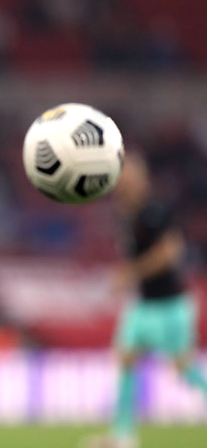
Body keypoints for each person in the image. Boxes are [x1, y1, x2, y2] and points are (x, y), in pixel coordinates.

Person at [83, 150, 207, 448]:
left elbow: (171, 251)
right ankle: (122, 435)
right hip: (143, 304)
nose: (123, 181)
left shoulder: (155, 211)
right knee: (126, 359)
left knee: (183, 367)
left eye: (129, 175)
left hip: (169, 303)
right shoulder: (126, 215)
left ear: (142, 180)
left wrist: (131, 273)